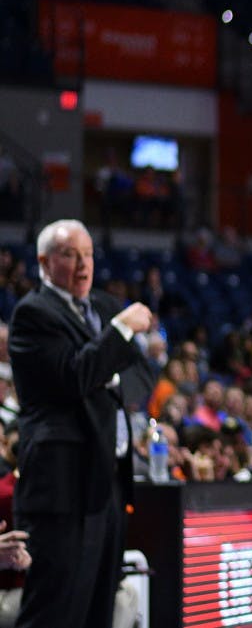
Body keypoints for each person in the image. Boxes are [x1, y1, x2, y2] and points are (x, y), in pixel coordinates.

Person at [8, 219, 154, 628]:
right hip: (61, 487)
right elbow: (72, 377)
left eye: (88, 254)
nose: (83, 264)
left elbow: (144, 376)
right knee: (54, 611)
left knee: (97, 610)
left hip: (106, 483)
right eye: (70, 254)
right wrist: (122, 331)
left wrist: (102, 371)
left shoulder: (104, 305)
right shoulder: (33, 313)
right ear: (44, 261)